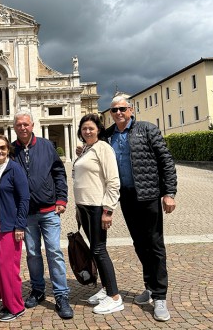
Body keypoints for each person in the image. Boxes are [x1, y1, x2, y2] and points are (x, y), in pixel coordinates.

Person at [107, 96, 177, 322]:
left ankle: (160, 296)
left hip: (148, 196)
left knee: (155, 244)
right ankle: (149, 285)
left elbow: (166, 160)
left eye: (122, 109)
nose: (118, 112)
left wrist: (169, 193)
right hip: (125, 197)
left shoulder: (147, 129)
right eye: (114, 109)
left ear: (131, 109)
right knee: (139, 243)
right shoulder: (108, 135)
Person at [12, 110, 74, 319]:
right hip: (26, 213)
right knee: (32, 254)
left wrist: (62, 199)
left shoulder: (47, 146)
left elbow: (59, 173)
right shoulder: (11, 150)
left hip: (49, 210)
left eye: (26, 124)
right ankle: (38, 290)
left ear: (33, 125)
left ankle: (61, 295)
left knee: (54, 252)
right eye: (19, 124)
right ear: (14, 127)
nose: (23, 127)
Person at [72, 114, 123, 314]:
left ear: (99, 129)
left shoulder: (103, 148)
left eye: (91, 128)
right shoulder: (87, 149)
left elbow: (113, 180)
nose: (87, 131)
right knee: (94, 249)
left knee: (100, 250)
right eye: (84, 128)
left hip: (96, 207)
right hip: (84, 206)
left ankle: (114, 296)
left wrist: (108, 210)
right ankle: (105, 289)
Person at [0, 135, 30, 322]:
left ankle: (16, 307)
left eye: (3, 148)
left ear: (8, 149)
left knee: (8, 267)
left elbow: (24, 198)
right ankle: (7, 301)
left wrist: (20, 225)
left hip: (10, 226)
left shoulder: (14, 168)